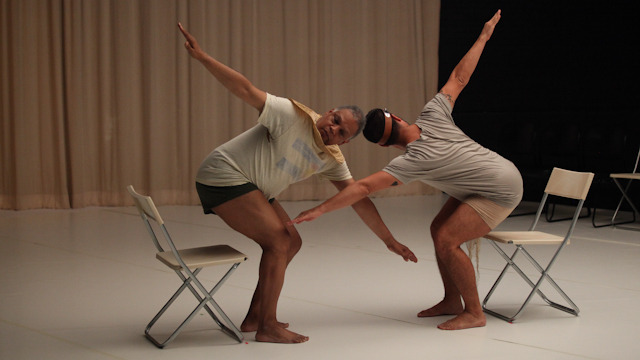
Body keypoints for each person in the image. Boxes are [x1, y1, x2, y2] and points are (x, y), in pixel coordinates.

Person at [177, 23, 417, 344]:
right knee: (277, 242)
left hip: (252, 187)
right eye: (335, 120)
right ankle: (268, 326)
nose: (333, 129)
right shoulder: (291, 115)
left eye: (341, 132)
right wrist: (203, 57)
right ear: (328, 112)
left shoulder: (332, 158)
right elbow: (246, 89)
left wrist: (389, 241)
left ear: (343, 143)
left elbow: (358, 197)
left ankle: (254, 317)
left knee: (293, 241)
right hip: (224, 175)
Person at [290, 10, 523, 331]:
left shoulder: (410, 161)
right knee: (438, 229)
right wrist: (483, 36)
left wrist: (320, 209)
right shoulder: (432, 112)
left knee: (446, 238)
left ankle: (474, 312)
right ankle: (451, 300)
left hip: (500, 190)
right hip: (499, 172)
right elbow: (459, 77)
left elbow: (362, 188)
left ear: (384, 146)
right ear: (398, 118)